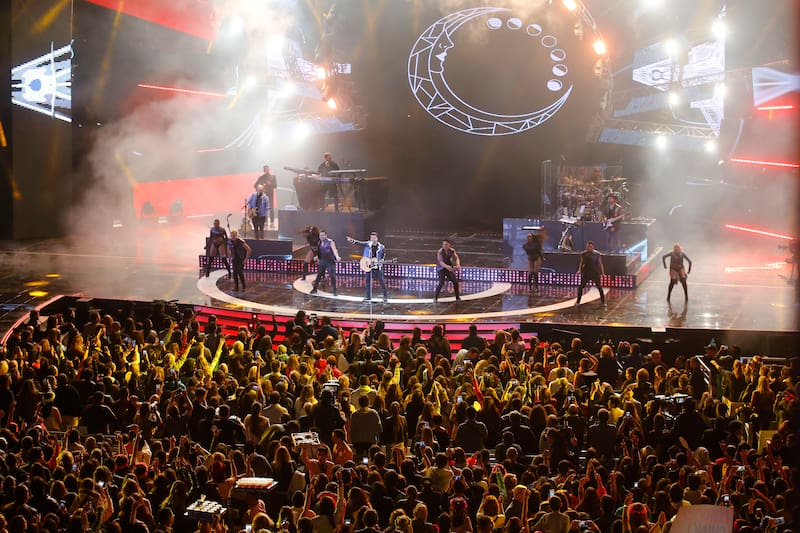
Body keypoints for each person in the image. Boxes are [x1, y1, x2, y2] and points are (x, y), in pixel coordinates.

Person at [348, 232, 388, 302]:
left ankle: (385, 297)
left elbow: (383, 254)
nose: (372, 239)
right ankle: (368, 296)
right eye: (371, 238)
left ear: (377, 238)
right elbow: (359, 243)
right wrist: (352, 240)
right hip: (369, 265)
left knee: (381, 281)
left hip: (377, 266)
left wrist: (382, 259)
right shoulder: (368, 244)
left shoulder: (381, 247)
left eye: (374, 238)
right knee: (368, 281)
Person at [575, 241, 605, 307]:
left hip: (595, 273)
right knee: (580, 287)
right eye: (588, 246)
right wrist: (579, 270)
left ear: (593, 247)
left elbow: (600, 264)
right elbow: (581, 263)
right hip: (586, 273)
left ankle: (603, 302)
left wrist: (603, 273)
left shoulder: (597, 254)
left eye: (590, 246)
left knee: (600, 288)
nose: (589, 248)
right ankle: (578, 302)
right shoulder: (583, 254)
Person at [311, 229, 340, 296]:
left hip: (330, 261)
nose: (321, 237)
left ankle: (334, 291)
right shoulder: (319, 242)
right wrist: (317, 257)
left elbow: (334, 250)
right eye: (320, 235)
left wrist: (337, 256)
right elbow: (319, 251)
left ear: (326, 235)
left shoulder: (330, 242)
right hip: (322, 261)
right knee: (319, 275)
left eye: (323, 235)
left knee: (332, 275)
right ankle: (314, 289)